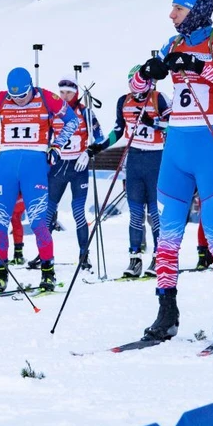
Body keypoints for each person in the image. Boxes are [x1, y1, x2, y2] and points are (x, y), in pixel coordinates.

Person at [131, 0, 213, 345]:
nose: (172, 15)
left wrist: (201, 68)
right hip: (176, 147)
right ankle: (166, 311)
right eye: (172, 8)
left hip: (210, 145)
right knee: (167, 237)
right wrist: (144, 74)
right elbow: (137, 90)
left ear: (196, 8)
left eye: (178, 10)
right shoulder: (173, 43)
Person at [0, 66, 78, 293]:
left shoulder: (46, 97)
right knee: (0, 221)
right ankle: (0, 273)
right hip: (6, 165)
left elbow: (71, 120)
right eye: (15, 97)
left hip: (34, 165)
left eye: (22, 96)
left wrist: (57, 146)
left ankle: (48, 272)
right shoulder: (2, 99)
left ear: (30, 87)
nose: (19, 101)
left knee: (38, 222)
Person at [87, 67, 170, 278]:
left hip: (156, 160)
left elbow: (174, 125)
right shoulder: (123, 101)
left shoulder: (158, 98)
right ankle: (135, 259)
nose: (135, 90)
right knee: (135, 213)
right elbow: (118, 130)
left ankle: (159, 257)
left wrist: (156, 124)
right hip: (134, 159)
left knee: (155, 213)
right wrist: (100, 145)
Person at [41, 78, 103, 270]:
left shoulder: (85, 112)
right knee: (48, 212)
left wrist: (89, 152)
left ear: (75, 93)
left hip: (78, 167)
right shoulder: (53, 111)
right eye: (62, 92)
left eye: (68, 92)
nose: (65, 96)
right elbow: (44, 136)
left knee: (78, 212)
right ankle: (43, 254)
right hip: (58, 166)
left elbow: (100, 137)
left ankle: (84, 255)